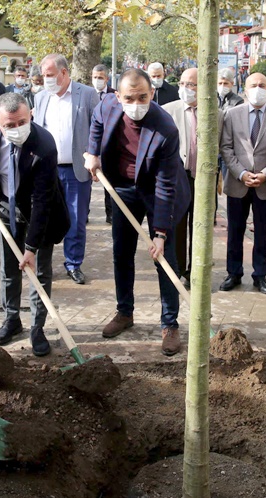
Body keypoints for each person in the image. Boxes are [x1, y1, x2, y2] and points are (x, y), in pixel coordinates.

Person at [85, 69, 190, 356]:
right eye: (129, 98)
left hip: (157, 191)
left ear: (152, 93)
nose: (136, 103)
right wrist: (92, 153)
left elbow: (166, 186)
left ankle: (170, 323)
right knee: (122, 252)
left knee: (165, 259)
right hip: (123, 189)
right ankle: (124, 312)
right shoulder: (106, 106)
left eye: (143, 97)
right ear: (117, 96)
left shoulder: (165, 127)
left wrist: (160, 233)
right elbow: (95, 124)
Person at [0, 93, 69, 353]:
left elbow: (42, 201)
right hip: (5, 206)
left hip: (41, 214)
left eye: (22, 122)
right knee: (9, 269)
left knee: (39, 272)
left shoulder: (44, 145)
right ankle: (11, 319)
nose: (17, 130)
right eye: (10, 126)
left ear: (31, 116)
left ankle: (37, 327)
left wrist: (31, 247)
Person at [34, 53, 100, 285]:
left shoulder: (87, 95)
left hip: (75, 170)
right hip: (47, 169)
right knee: (42, 216)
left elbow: (97, 128)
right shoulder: (41, 97)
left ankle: (73, 263)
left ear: (64, 73)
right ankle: (42, 263)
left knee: (75, 218)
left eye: (50, 75)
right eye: (43, 75)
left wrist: (95, 156)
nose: (46, 79)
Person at [219, 72, 266, 296]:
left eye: (262, 85)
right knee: (235, 231)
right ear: (244, 89)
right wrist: (241, 173)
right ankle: (234, 273)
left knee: (263, 233)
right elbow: (226, 148)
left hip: (265, 185)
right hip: (238, 183)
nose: (257, 89)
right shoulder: (232, 114)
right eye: (253, 85)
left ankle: (260, 275)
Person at [163, 68, 200, 289]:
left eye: (192, 84)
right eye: (183, 84)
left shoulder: (215, 112)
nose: (187, 88)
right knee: (177, 225)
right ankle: (176, 270)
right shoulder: (168, 111)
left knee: (199, 227)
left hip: (201, 177)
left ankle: (194, 271)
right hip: (177, 177)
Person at [92, 64, 117, 224]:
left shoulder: (115, 95)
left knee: (109, 181)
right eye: (94, 77)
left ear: (106, 79)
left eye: (100, 77)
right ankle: (84, 213)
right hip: (92, 145)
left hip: (109, 146)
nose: (97, 80)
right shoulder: (86, 94)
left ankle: (111, 214)